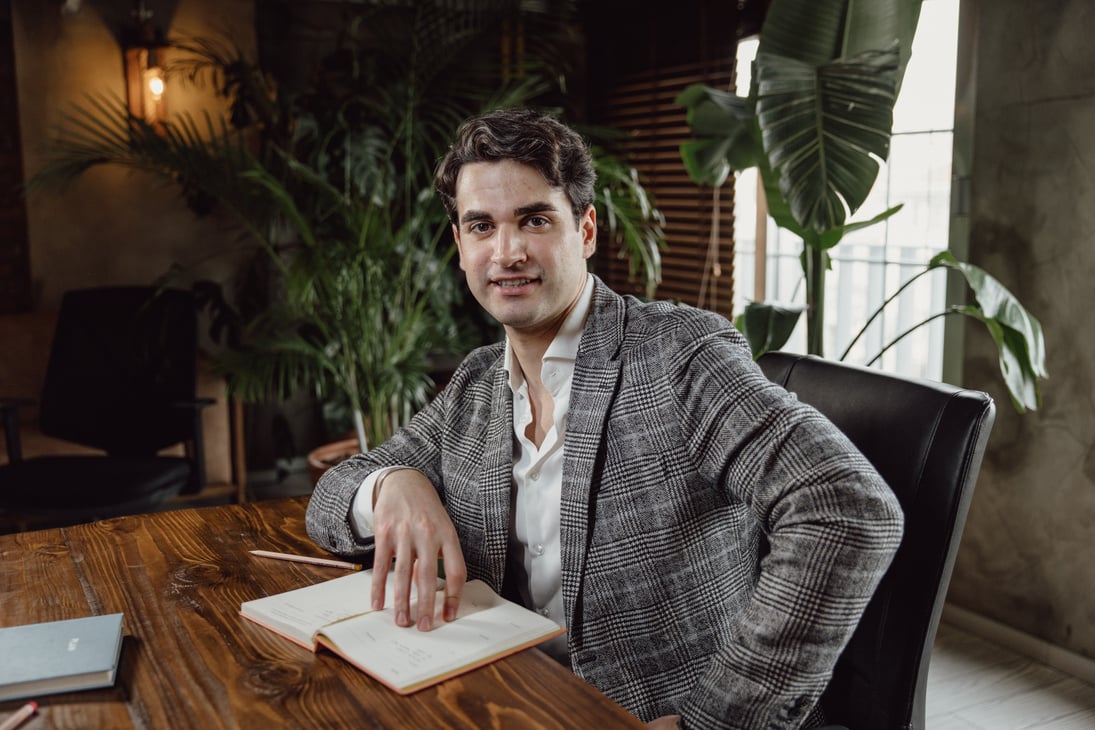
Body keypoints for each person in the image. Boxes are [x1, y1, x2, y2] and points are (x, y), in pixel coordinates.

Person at [305, 107, 903, 729]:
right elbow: (330, 496)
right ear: (460, 246)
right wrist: (392, 485)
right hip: (507, 700)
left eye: (534, 219)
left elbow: (849, 507)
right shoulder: (477, 383)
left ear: (586, 231)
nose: (506, 252)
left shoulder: (679, 353)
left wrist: (715, 722)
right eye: (481, 226)